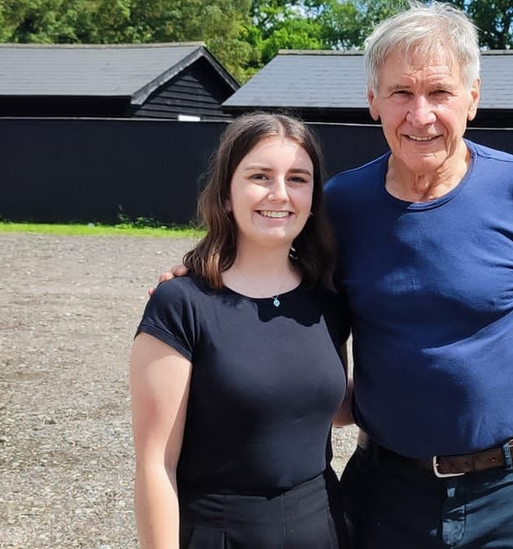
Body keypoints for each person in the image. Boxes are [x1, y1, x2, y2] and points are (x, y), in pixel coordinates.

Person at [159, 4, 513, 548]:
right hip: (387, 493)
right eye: (400, 93)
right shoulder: (340, 206)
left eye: (439, 92)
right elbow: (268, 262)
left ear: (473, 96)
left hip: (511, 491)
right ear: (372, 101)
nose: (420, 116)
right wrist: (204, 276)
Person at [130, 113, 352, 549]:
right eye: (260, 176)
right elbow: (156, 463)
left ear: (313, 197)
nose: (280, 194)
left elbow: (329, 409)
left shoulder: (328, 300)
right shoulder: (181, 304)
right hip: (221, 533)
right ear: (227, 194)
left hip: (323, 527)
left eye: (298, 179)